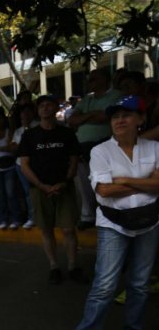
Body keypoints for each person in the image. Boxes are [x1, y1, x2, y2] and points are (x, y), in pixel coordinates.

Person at [70, 95, 159, 330]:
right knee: (105, 284)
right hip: (113, 223)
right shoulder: (100, 152)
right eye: (115, 116)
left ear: (141, 119)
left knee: (140, 284)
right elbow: (104, 191)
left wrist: (124, 180)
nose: (120, 120)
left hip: (149, 222)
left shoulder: (154, 148)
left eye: (127, 114)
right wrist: (145, 182)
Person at [20, 95, 85, 285]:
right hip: (39, 189)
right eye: (41, 105)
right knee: (46, 230)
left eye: (49, 104)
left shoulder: (66, 133)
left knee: (68, 229)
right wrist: (41, 185)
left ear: (56, 108)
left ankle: (73, 266)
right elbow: (24, 165)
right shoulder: (29, 136)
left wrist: (65, 182)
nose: (45, 108)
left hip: (64, 187)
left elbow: (74, 161)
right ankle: (54, 266)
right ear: (37, 110)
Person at [68, 69, 121, 230]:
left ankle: (109, 214)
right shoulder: (86, 99)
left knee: (104, 182)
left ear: (105, 80)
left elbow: (106, 116)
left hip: (104, 145)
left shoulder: (115, 95)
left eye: (93, 79)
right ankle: (88, 215)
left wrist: (83, 118)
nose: (89, 82)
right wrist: (92, 115)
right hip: (82, 148)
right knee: (85, 184)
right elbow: (72, 119)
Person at [10, 103, 38, 229]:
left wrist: (21, 146)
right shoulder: (18, 131)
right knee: (26, 192)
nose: (25, 118)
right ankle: (31, 217)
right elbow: (14, 148)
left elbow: (29, 147)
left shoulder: (37, 127)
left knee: (34, 191)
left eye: (27, 115)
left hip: (35, 165)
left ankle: (36, 217)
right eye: (22, 117)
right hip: (20, 165)